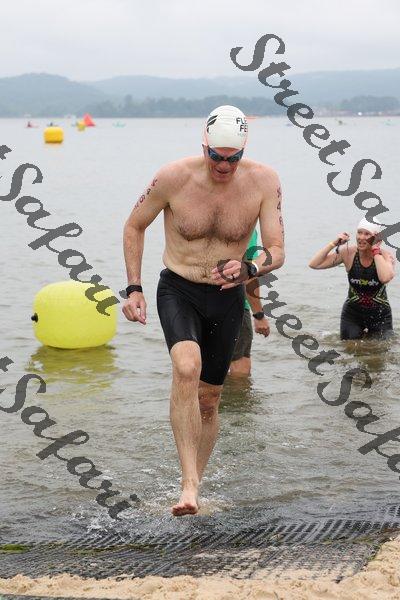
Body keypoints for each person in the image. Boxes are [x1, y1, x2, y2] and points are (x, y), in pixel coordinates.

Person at [122, 105, 285, 516]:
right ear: (204, 146)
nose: (224, 166)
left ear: (244, 151)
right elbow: (134, 225)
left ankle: (197, 482)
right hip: (179, 288)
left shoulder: (264, 181)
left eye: (234, 158)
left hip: (227, 297)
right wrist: (134, 287)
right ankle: (188, 485)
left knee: (210, 400)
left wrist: (250, 267)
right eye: (217, 156)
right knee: (186, 366)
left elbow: (276, 249)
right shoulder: (173, 177)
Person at [309, 217, 395, 340]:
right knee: (349, 348)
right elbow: (314, 264)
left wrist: (375, 250)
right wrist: (333, 244)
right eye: (359, 232)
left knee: (380, 350)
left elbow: (385, 278)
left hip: (380, 316)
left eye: (367, 234)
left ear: (376, 237)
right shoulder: (348, 253)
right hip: (352, 315)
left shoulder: (385, 256)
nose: (361, 237)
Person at [230, 229, 270, 377]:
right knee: (240, 364)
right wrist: (259, 315)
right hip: (234, 304)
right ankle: (237, 391)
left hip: (194, 299)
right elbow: (248, 273)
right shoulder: (246, 225)